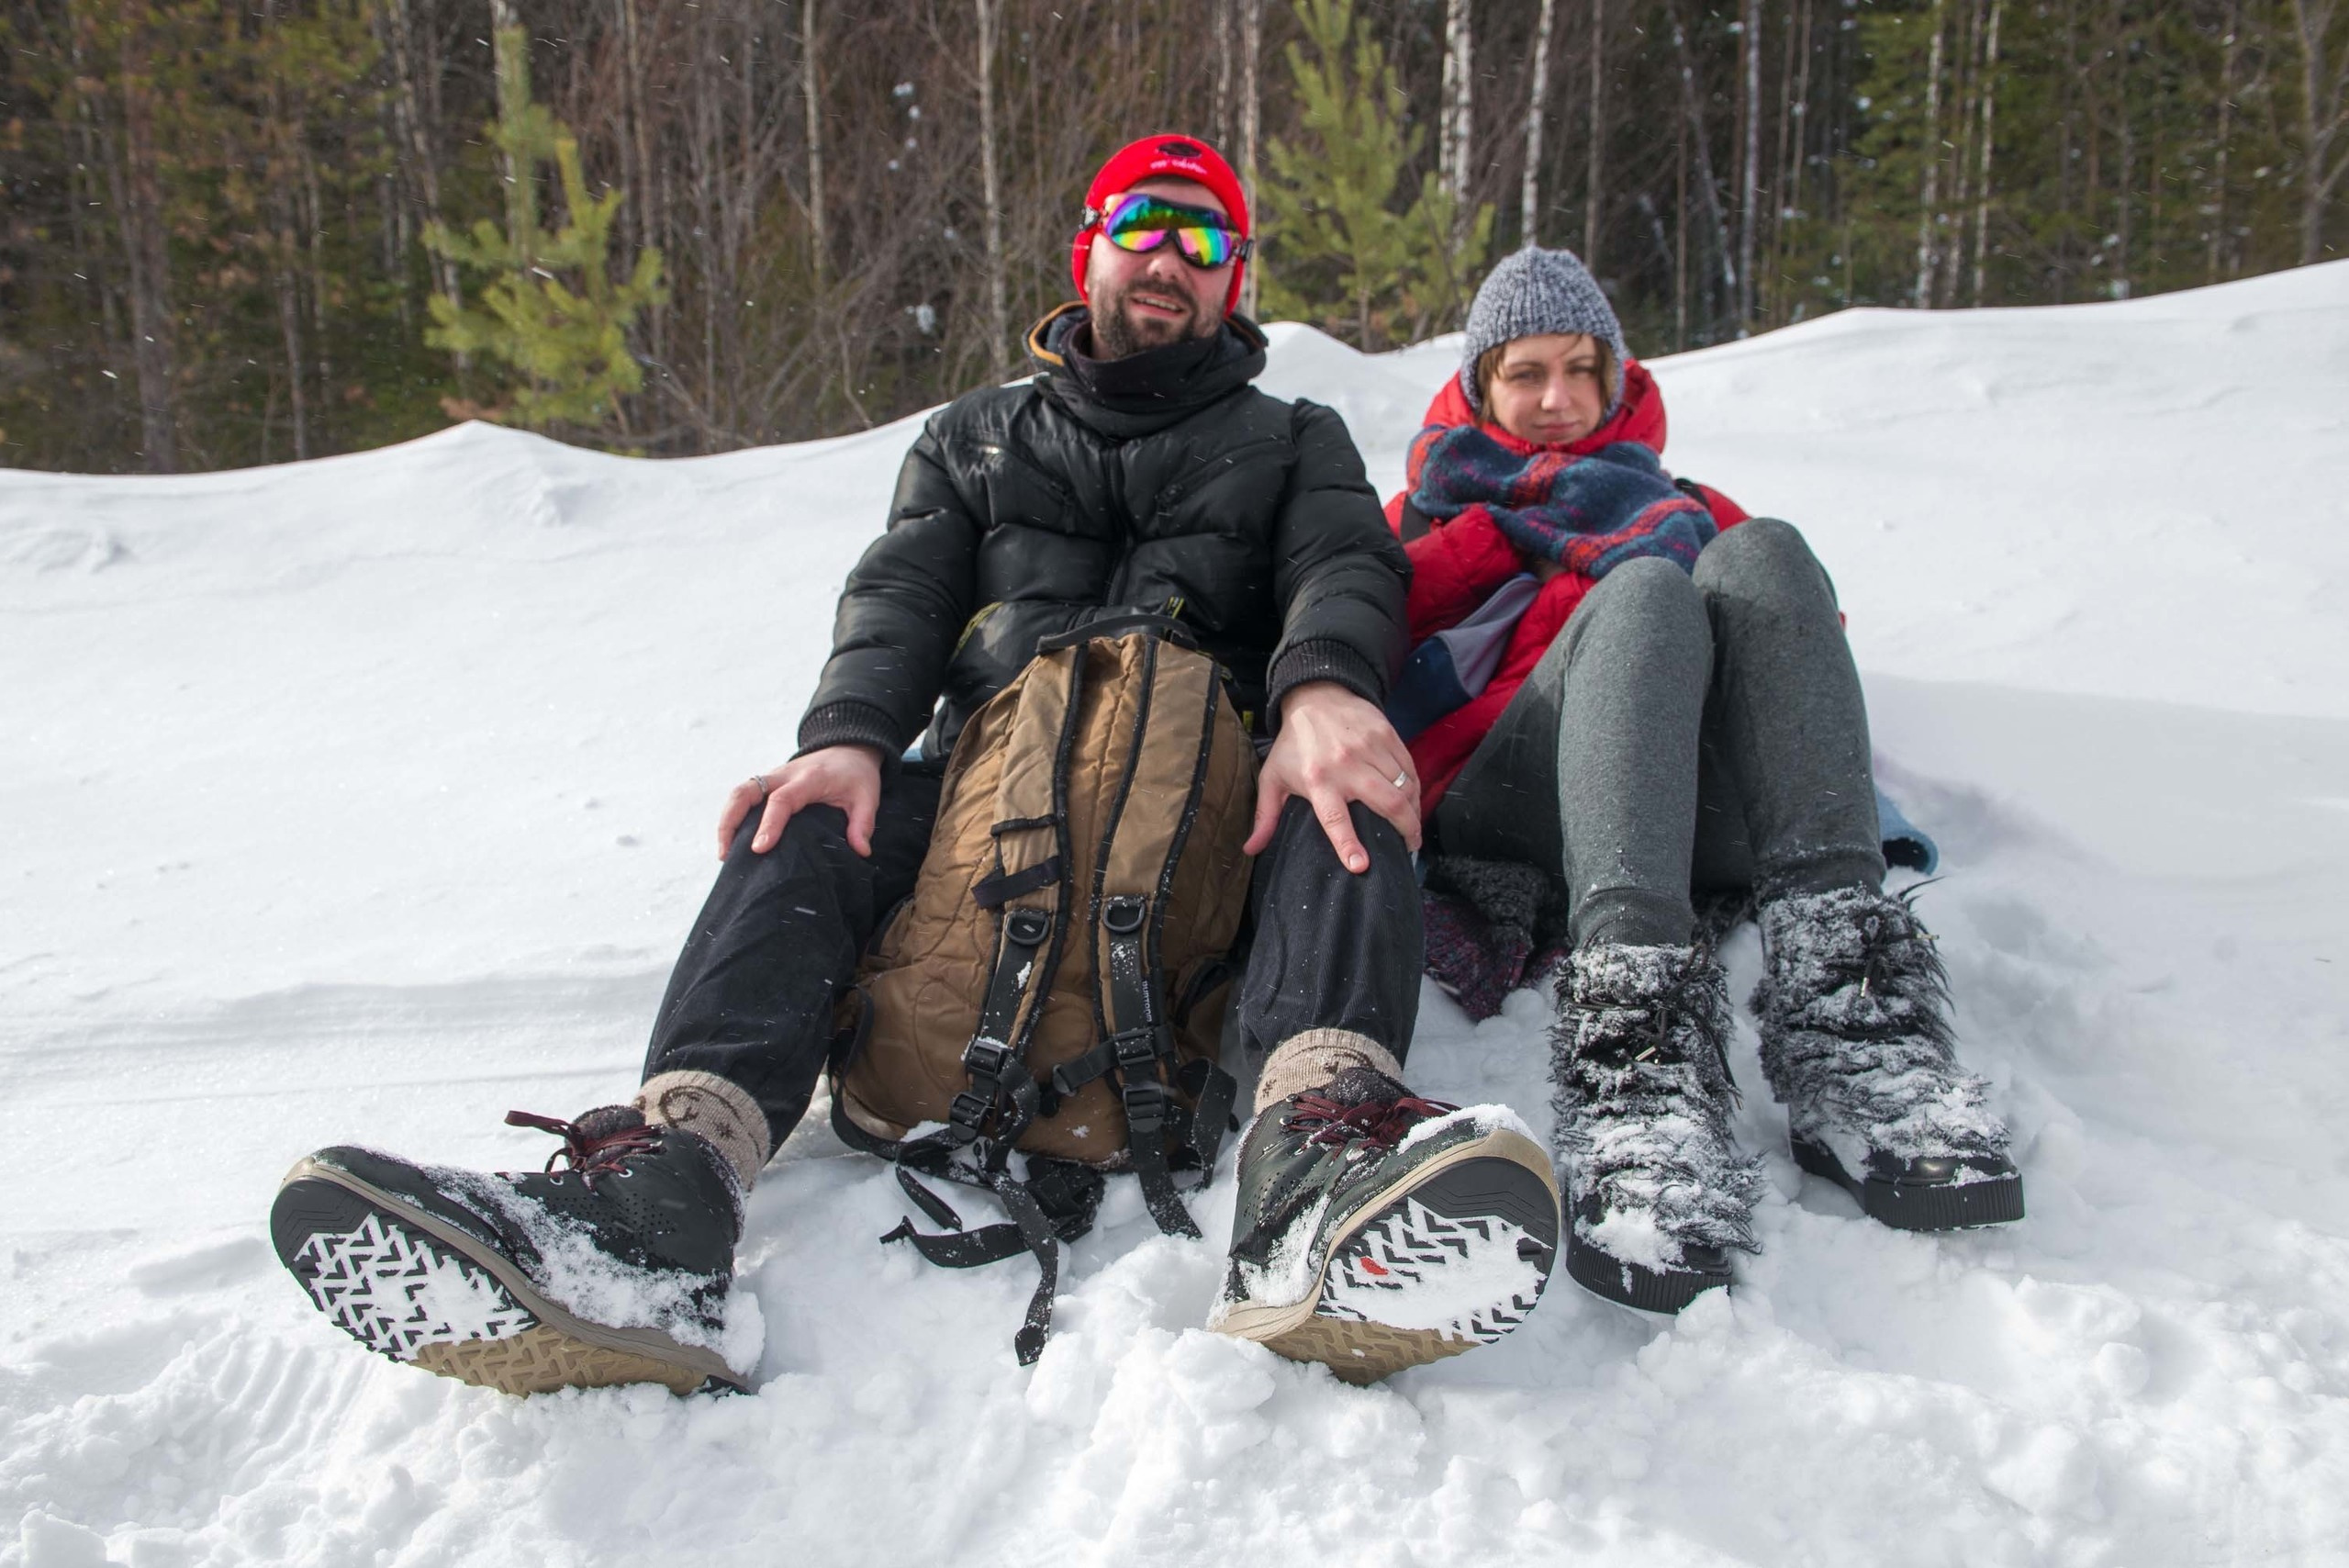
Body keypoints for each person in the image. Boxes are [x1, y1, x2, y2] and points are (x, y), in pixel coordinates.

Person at [267, 135, 1560, 1396]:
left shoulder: (1295, 438)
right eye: (1144, 226)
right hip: (986, 780)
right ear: (1089, 250)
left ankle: (1318, 1176)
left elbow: (1345, 564)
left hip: (1209, 783)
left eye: (1206, 235)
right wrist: (840, 740)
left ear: (1238, 279)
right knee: (805, 822)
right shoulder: (975, 437)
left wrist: (1327, 690)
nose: (1172, 257)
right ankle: (659, 1207)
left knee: (1348, 790)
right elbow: (897, 597)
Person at [1386, 246, 2022, 1315]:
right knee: (1639, 595)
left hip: (1685, 805)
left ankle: (1853, 1025)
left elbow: (1798, 667)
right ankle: (1635, 1070)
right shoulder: (1428, 521)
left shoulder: (1689, 505)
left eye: (1579, 370)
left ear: (1617, 379)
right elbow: (1374, 656)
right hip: (1514, 797)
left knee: (1767, 553)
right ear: (1478, 386)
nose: (1554, 399)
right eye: (1524, 373)